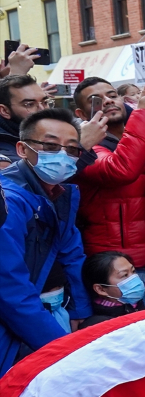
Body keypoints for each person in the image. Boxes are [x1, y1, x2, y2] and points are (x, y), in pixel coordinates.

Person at [0, 108, 92, 375]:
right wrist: (60, 347)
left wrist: (80, 311)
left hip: (53, 311)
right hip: (20, 322)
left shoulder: (62, 193)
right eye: (50, 146)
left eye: (72, 149)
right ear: (22, 149)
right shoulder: (9, 202)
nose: (62, 156)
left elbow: (72, 253)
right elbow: (10, 288)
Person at [72, 77, 145, 306]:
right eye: (96, 99)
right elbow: (121, 170)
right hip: (120, 272)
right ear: (81, 113)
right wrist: (144, 114)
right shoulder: (83, 149)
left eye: (112, 95)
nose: (107, 101)